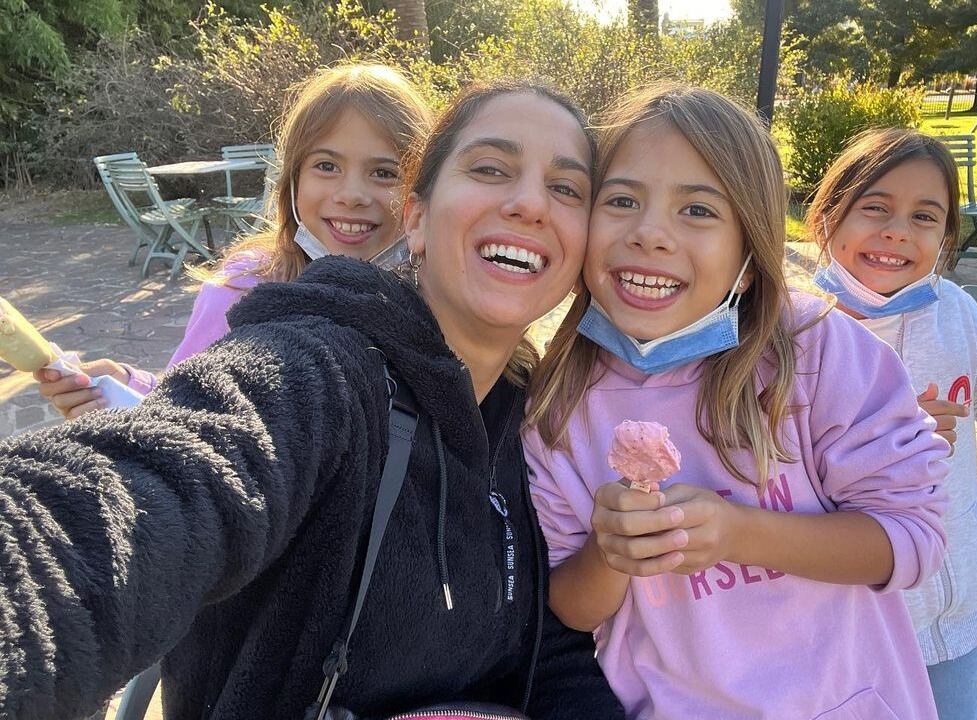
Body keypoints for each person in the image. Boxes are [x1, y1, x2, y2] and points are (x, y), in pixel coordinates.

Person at [0, 79, 623, 720]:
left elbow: (541, 652)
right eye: (491, 169)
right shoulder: (323, 371)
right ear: (415, 217)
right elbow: (155, 489)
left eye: (566, 188)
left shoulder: (527, 415)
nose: (529, 203)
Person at [523, 83, 949, 719]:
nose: (650, 234)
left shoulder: (814, 352)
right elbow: (567, 604)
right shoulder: (556, 411)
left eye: (697, 210)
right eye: (621, 200)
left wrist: (739, 533)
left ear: (750, 258)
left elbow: (912, 539)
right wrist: (609, 555)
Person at [807, 127, 977, 720]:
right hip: (852, 608)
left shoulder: (954, 311)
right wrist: (876, 438)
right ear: (827, 216)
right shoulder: (797, 330)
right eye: (874, 208)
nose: (898, 231)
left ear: (947, 236)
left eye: (925, 217)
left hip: (953, 596)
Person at [35, 63, 431, 418]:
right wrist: (123, 385)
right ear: (291, 181)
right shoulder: (241, 289)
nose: (351, 194)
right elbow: (184, 406)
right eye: (326, 166)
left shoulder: (438, 301)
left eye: (384, 173)